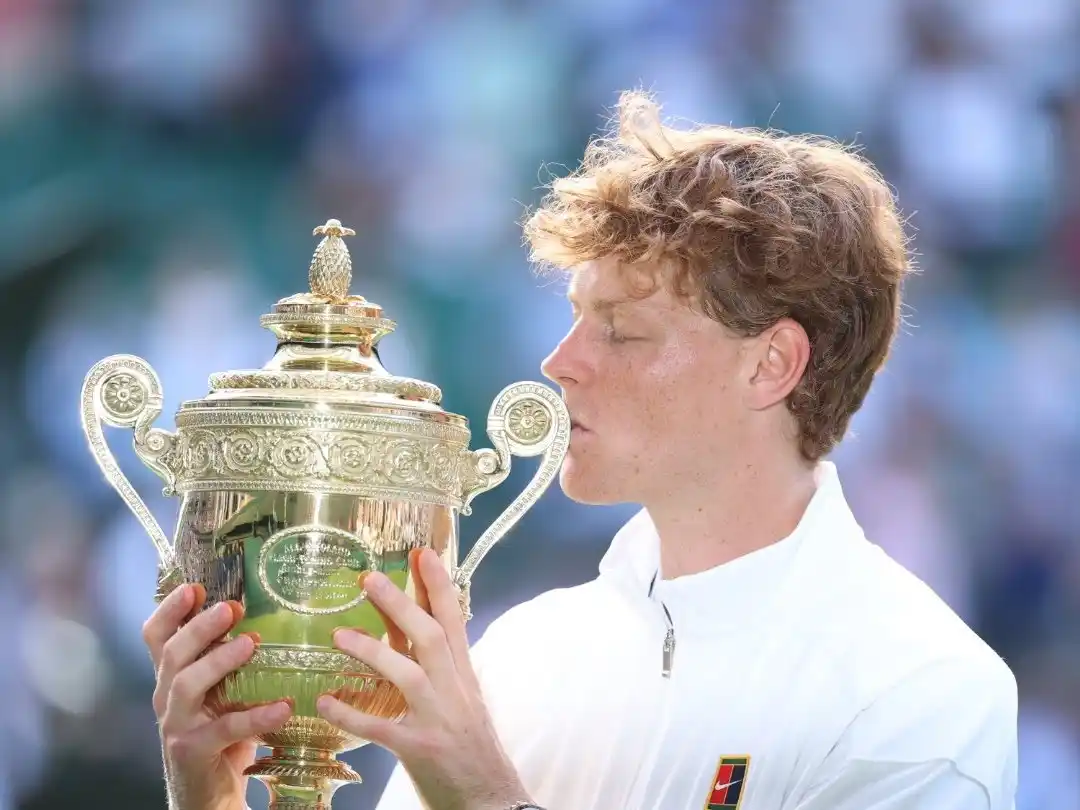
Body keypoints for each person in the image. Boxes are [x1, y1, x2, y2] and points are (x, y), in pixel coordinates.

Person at [142, 91, 1018, 810]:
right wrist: (210, 801)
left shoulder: (921, 692)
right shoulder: (523, 656)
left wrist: (488, 801)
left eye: (622, 332)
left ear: (772, 364)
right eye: (572, 320)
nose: (562, 365)